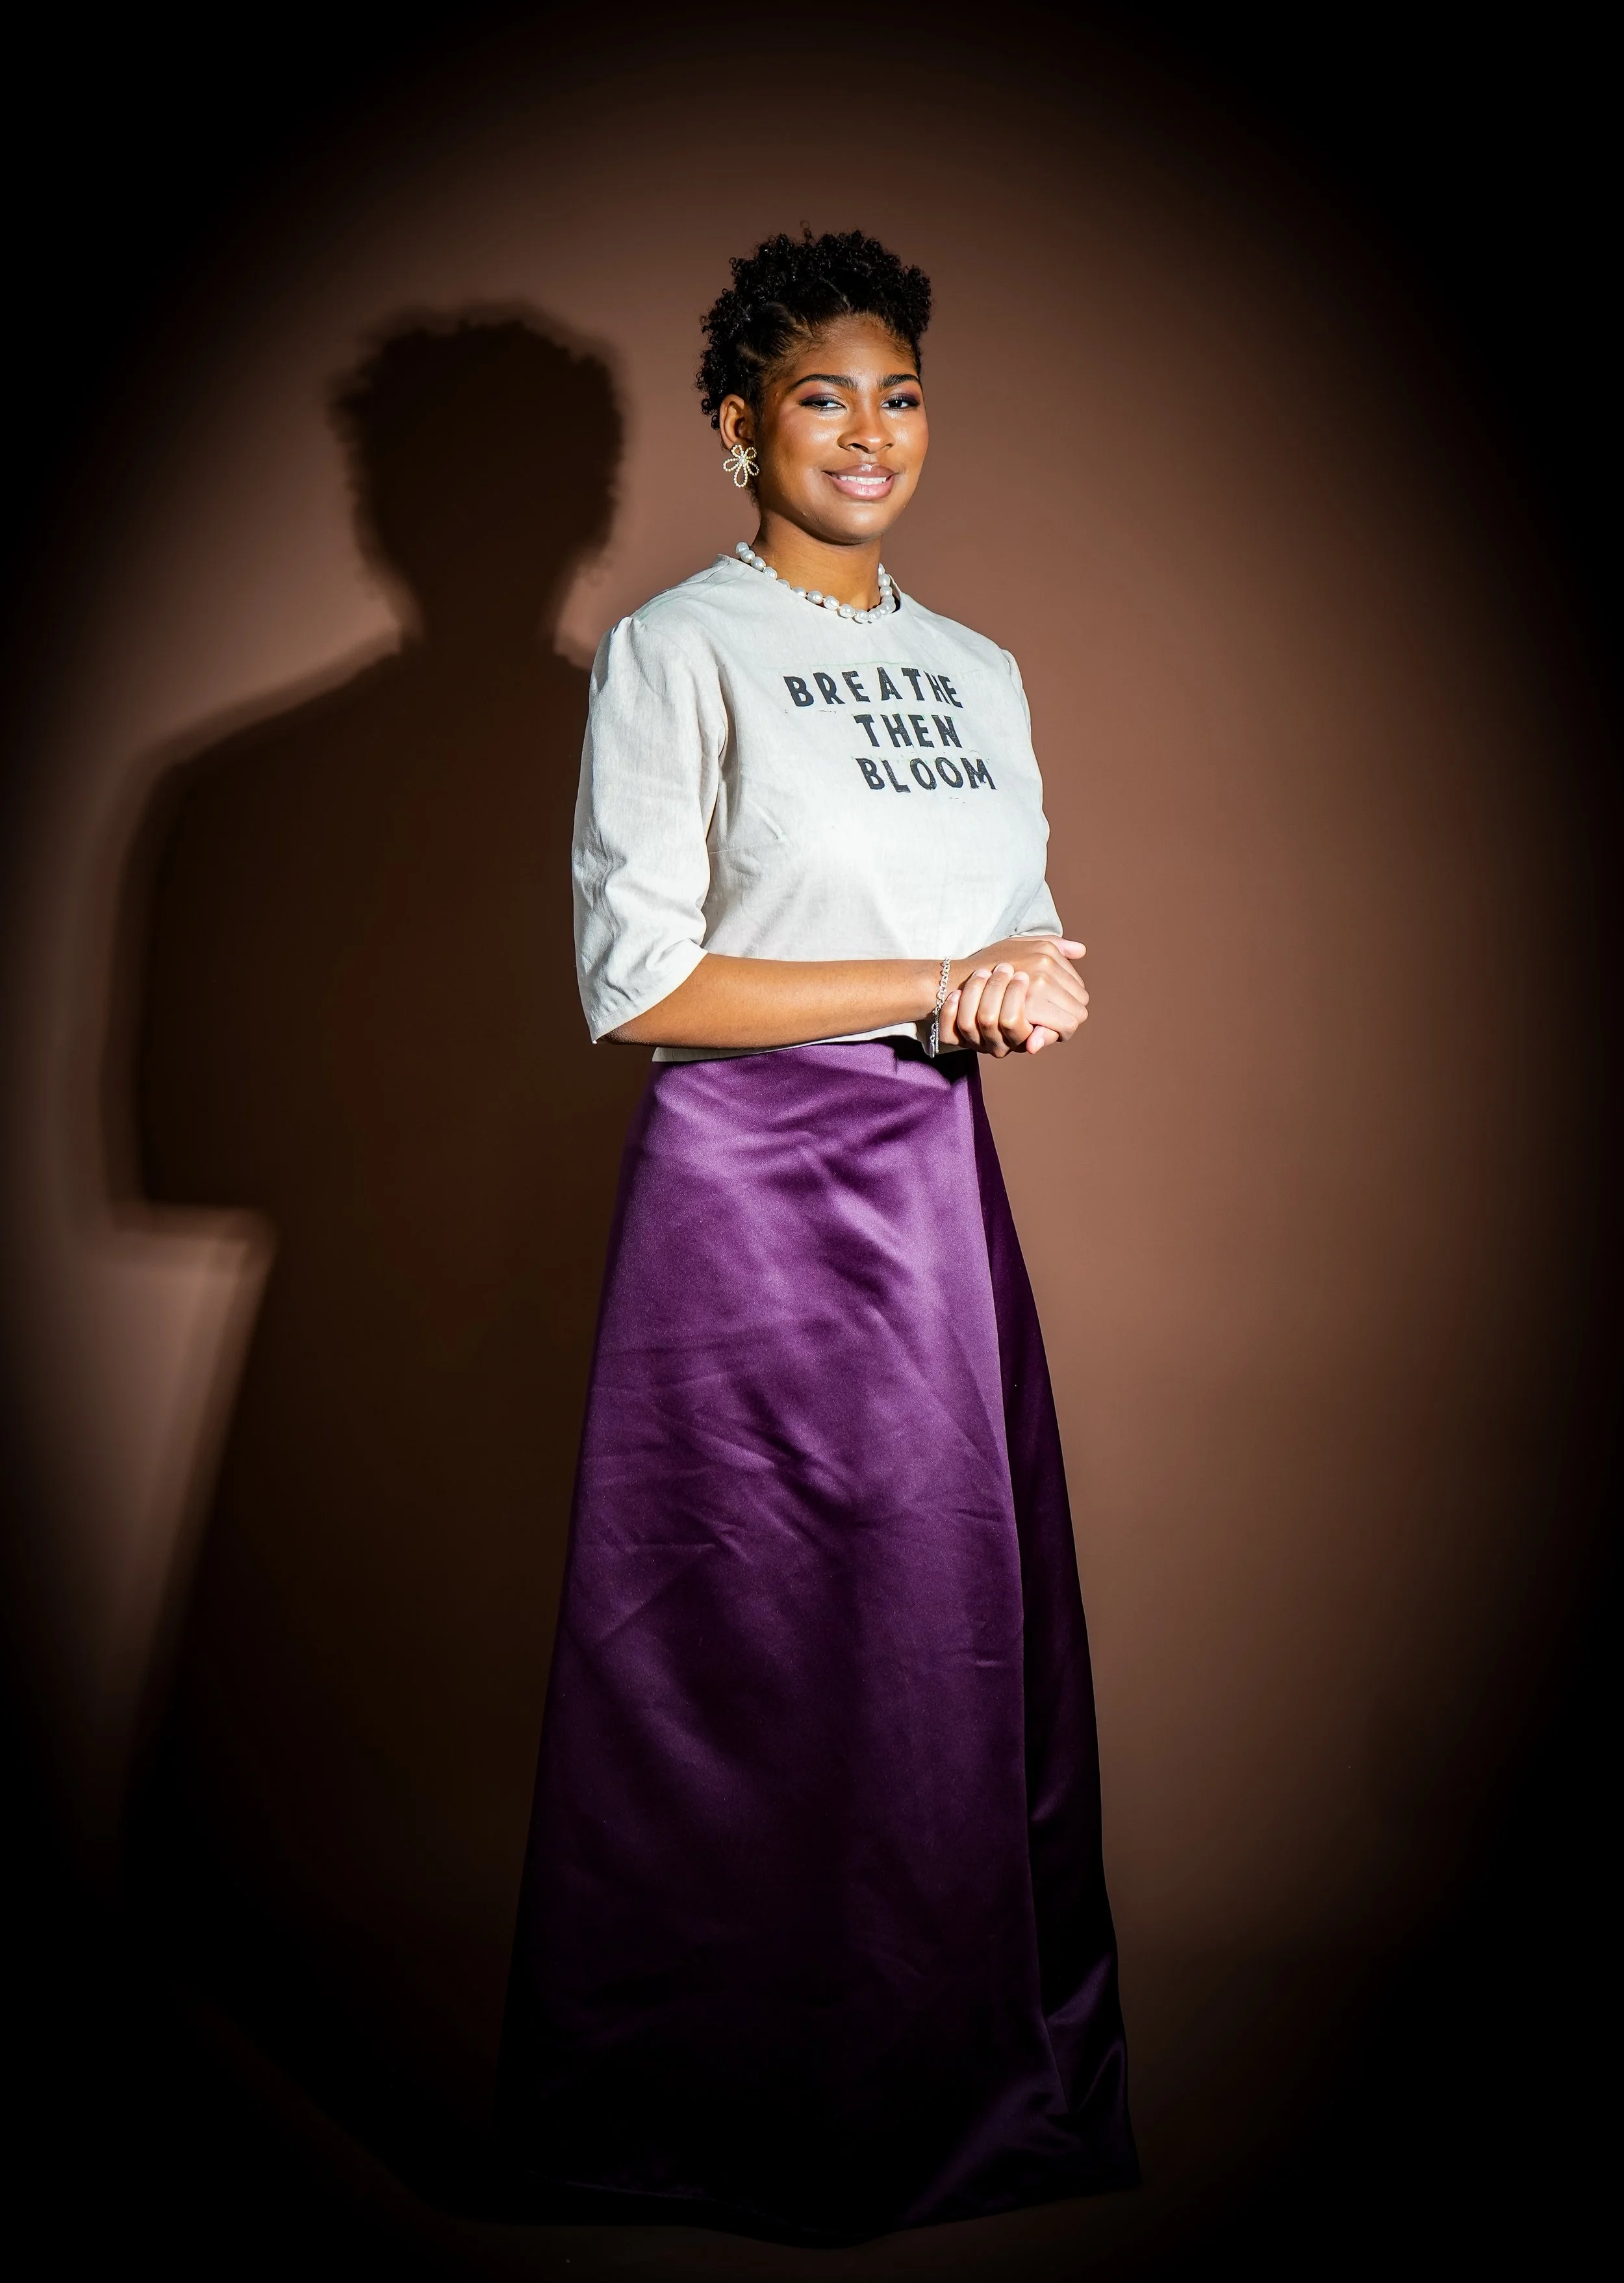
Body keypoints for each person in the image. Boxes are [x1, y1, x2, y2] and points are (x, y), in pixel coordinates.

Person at [500, 229, 1137, 2244]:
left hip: (934, 1183)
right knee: (748, 1656)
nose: (868, 433)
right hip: (750, 1198)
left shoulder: (979, 670)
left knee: (939, 1649)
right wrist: (943, 974)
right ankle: (690, 2120)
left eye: (900, 395)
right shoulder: (677, 649)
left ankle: (942, 2093)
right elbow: (640, 985)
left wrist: (1025, 981)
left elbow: (1022, 931)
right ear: (736, 428)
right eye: (819, 396)